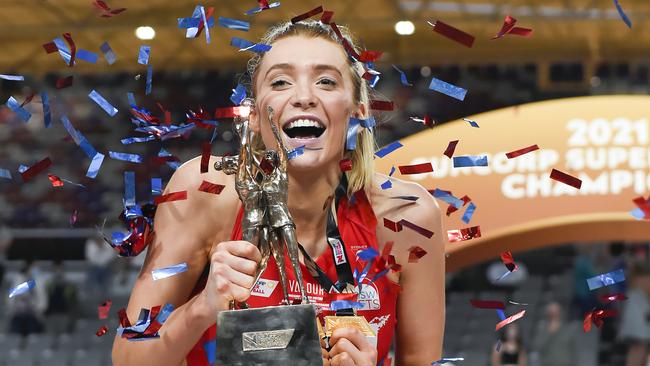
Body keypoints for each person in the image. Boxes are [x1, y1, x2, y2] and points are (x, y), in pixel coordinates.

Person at [112, 19, 445, 366]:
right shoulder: (206, 192)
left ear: (358, 113)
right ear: (254, 116)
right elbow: (128, 357)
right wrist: (203, 307)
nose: (304, 97)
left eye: (326, 81)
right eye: (281, 81)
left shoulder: (407, 216)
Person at [531, 302, 576, 366]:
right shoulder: (541, 329)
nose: (553, 314)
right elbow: (538, 345)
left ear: (560, 313)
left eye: (555, 311)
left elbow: (572, 351)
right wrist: (549, 331)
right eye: (551, 311)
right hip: (547, 363)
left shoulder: (567, 330)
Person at [45, 260, 78, 335]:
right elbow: (45, 299)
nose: (58, 271)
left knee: (64, 337)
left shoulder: (70, 285)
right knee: (49, 337)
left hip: (64, 314)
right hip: (51, 315)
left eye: (60, 269)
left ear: (63, 270)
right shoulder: (48, 284)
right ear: (53, 270)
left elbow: (73, 302)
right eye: (55, 269)